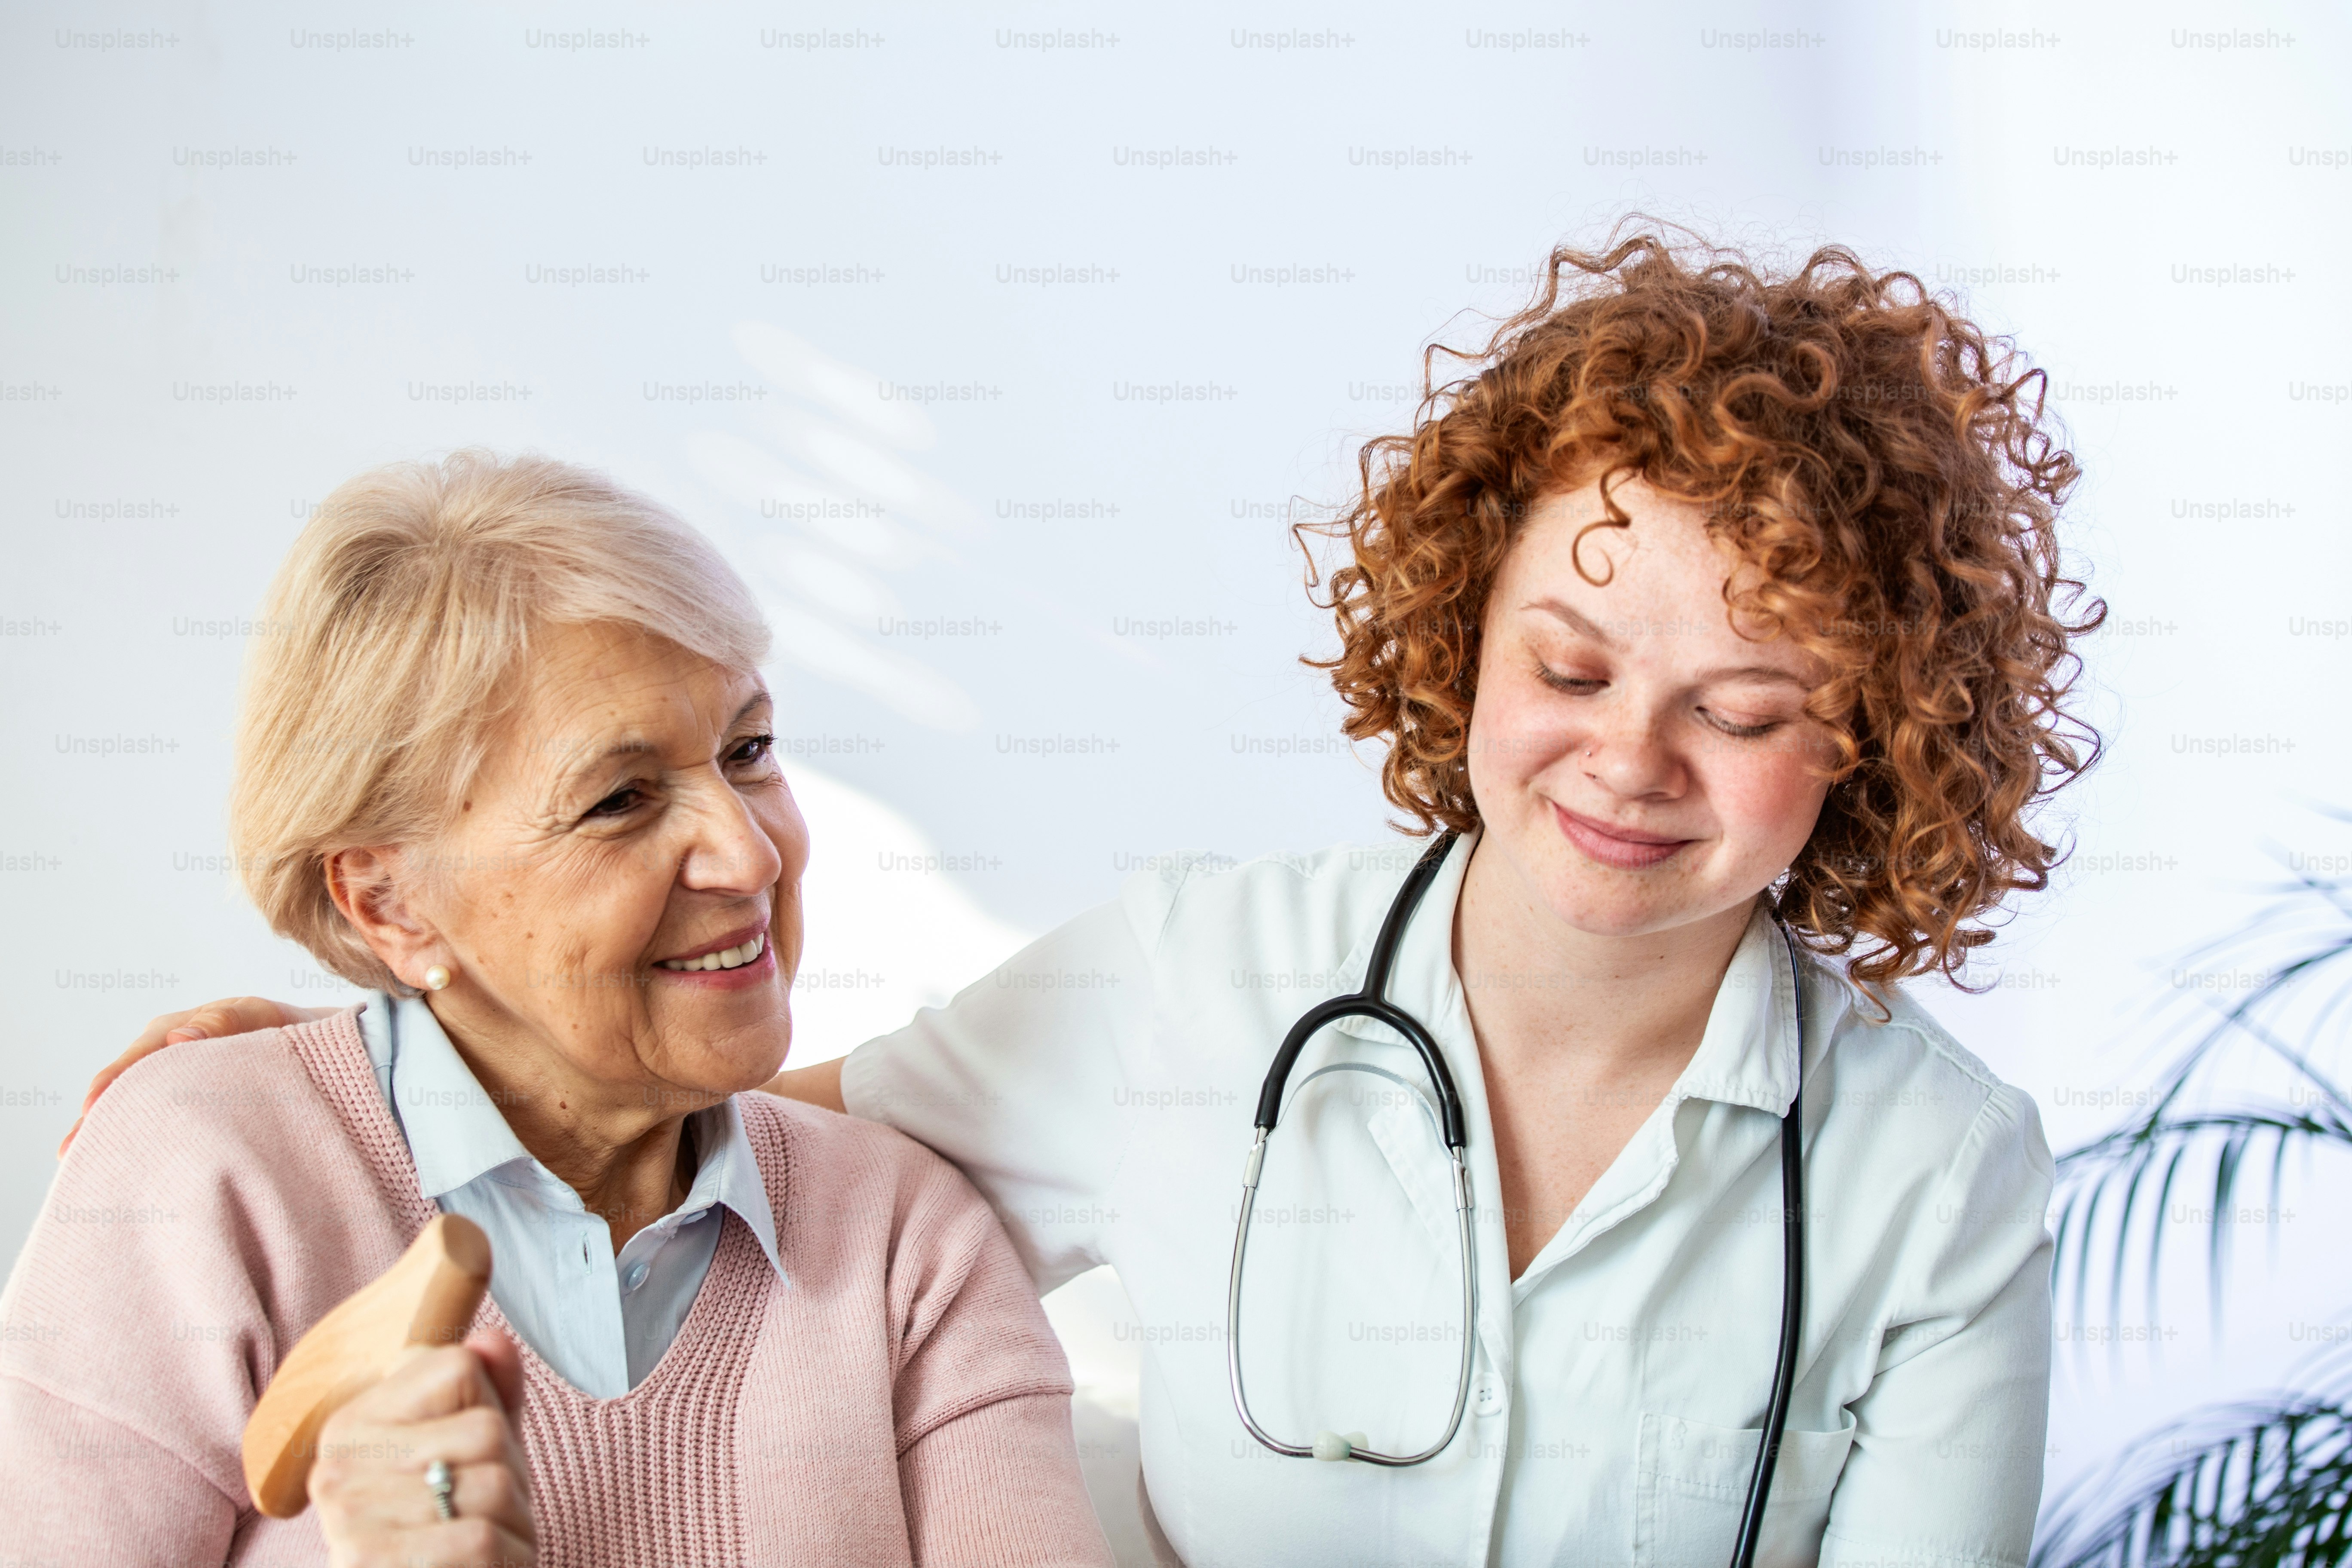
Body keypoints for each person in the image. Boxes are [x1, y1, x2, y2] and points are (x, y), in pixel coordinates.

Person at [81, 232, 2099, 1565]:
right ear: (1465, 636)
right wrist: (371, 1058)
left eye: (1742, 711)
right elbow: (738, 1126)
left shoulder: (1935, 1174)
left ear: (1879, 739)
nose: (1630, 762)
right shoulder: (1199, 982)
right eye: (1569, 671)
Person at [7, 454, 1112, 1566]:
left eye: (748, 751)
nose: (750, 855)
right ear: (390, 906)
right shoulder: (200, 1181)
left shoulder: (906, 1242)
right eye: (620, 800)